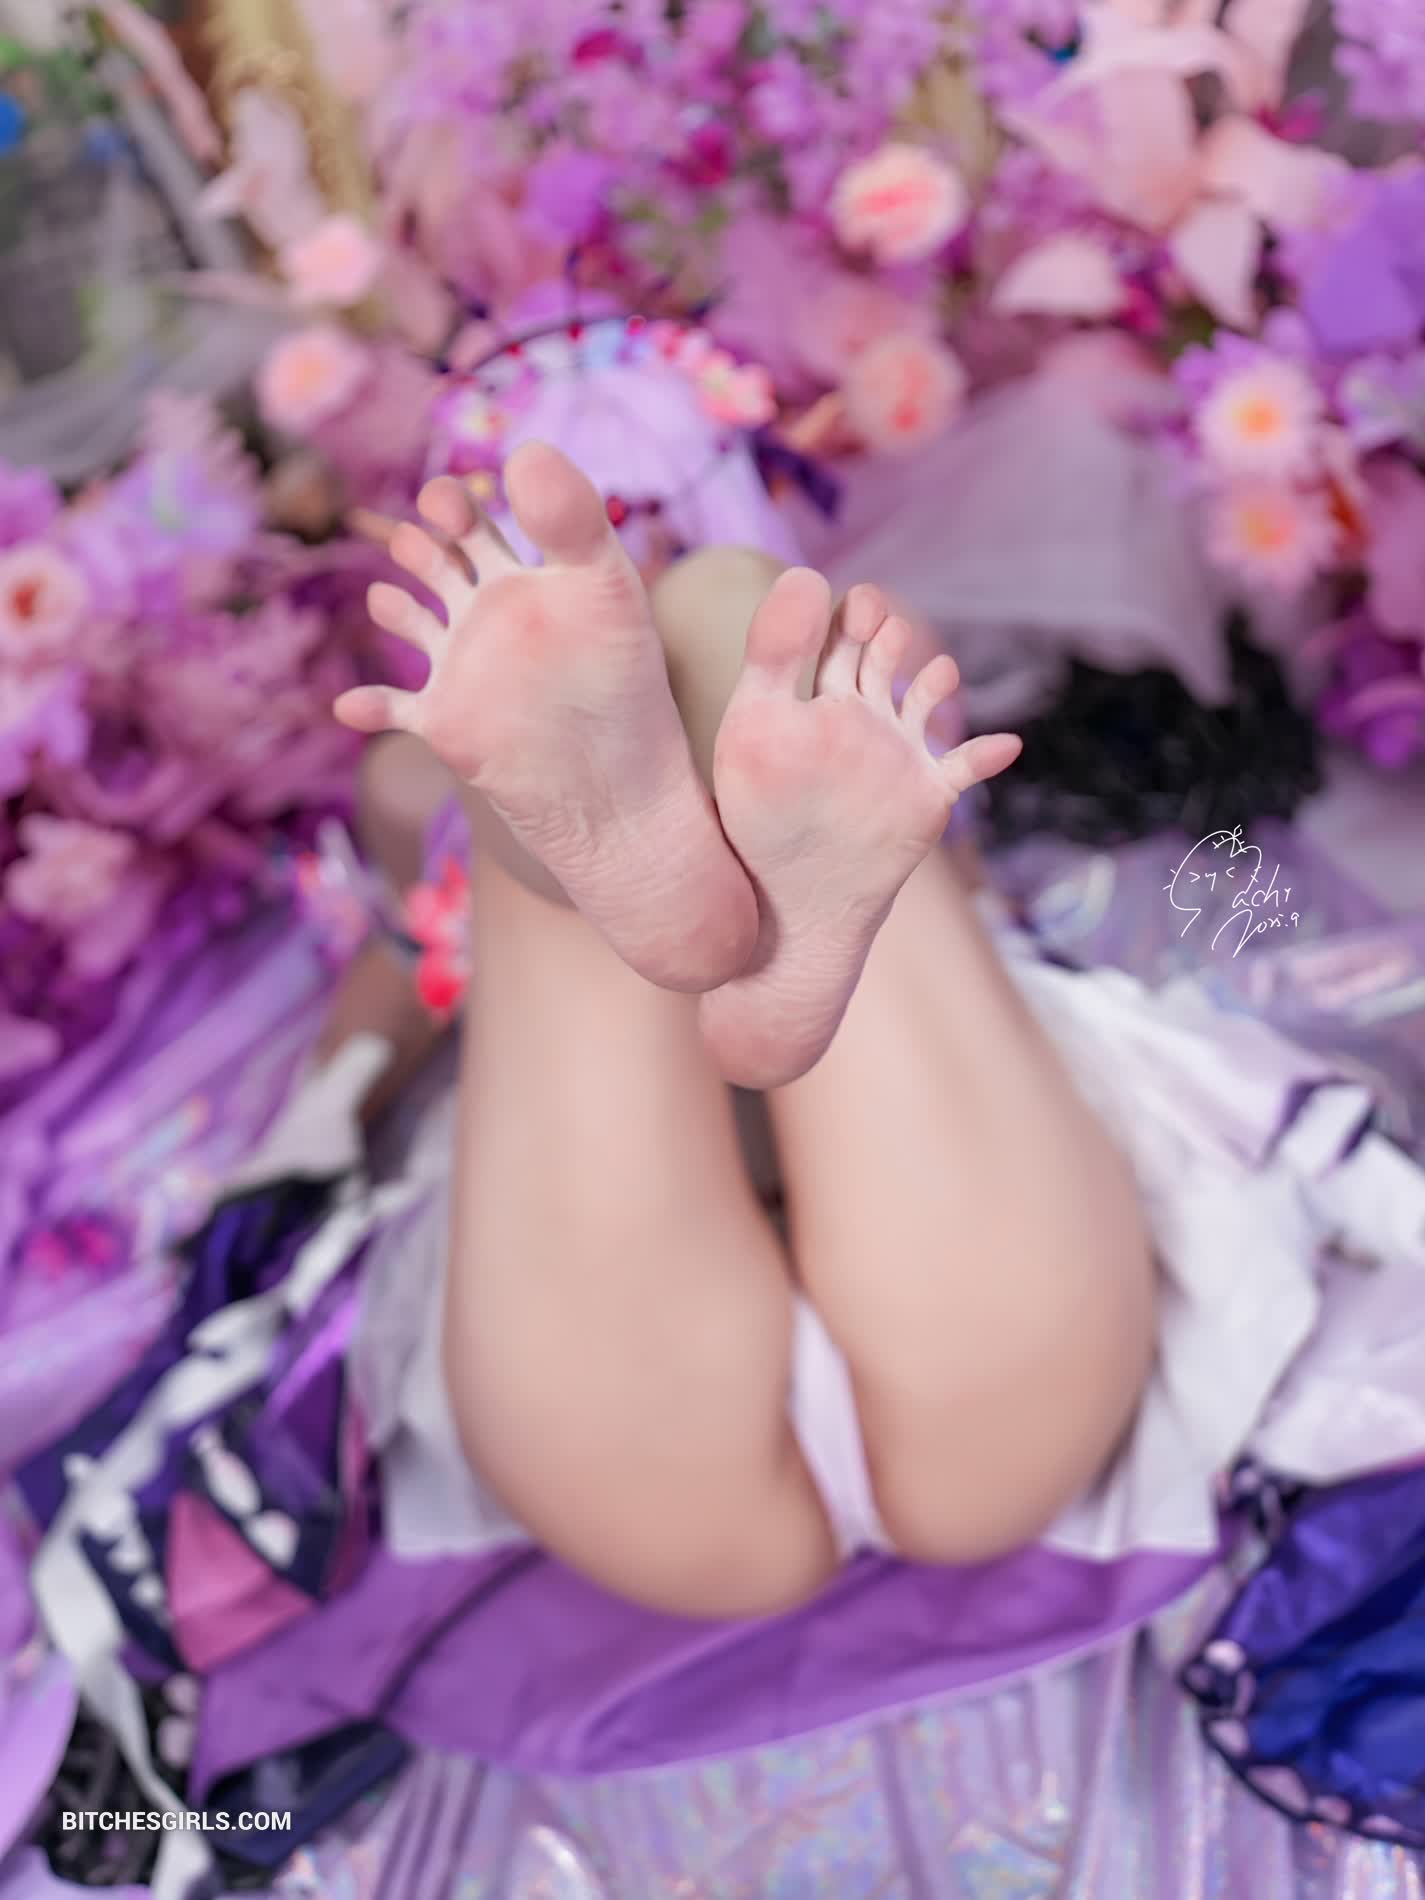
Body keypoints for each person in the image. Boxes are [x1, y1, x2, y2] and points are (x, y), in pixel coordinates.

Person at [329, 438, 1159, 1619]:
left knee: (517, 856)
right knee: (753, 620)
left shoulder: (416, 757)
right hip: (991, 1305)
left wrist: (304, 1136)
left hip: (627, 1408)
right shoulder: (889, 638)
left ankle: (569, 863)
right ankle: (720, 741)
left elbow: (369, 1035)